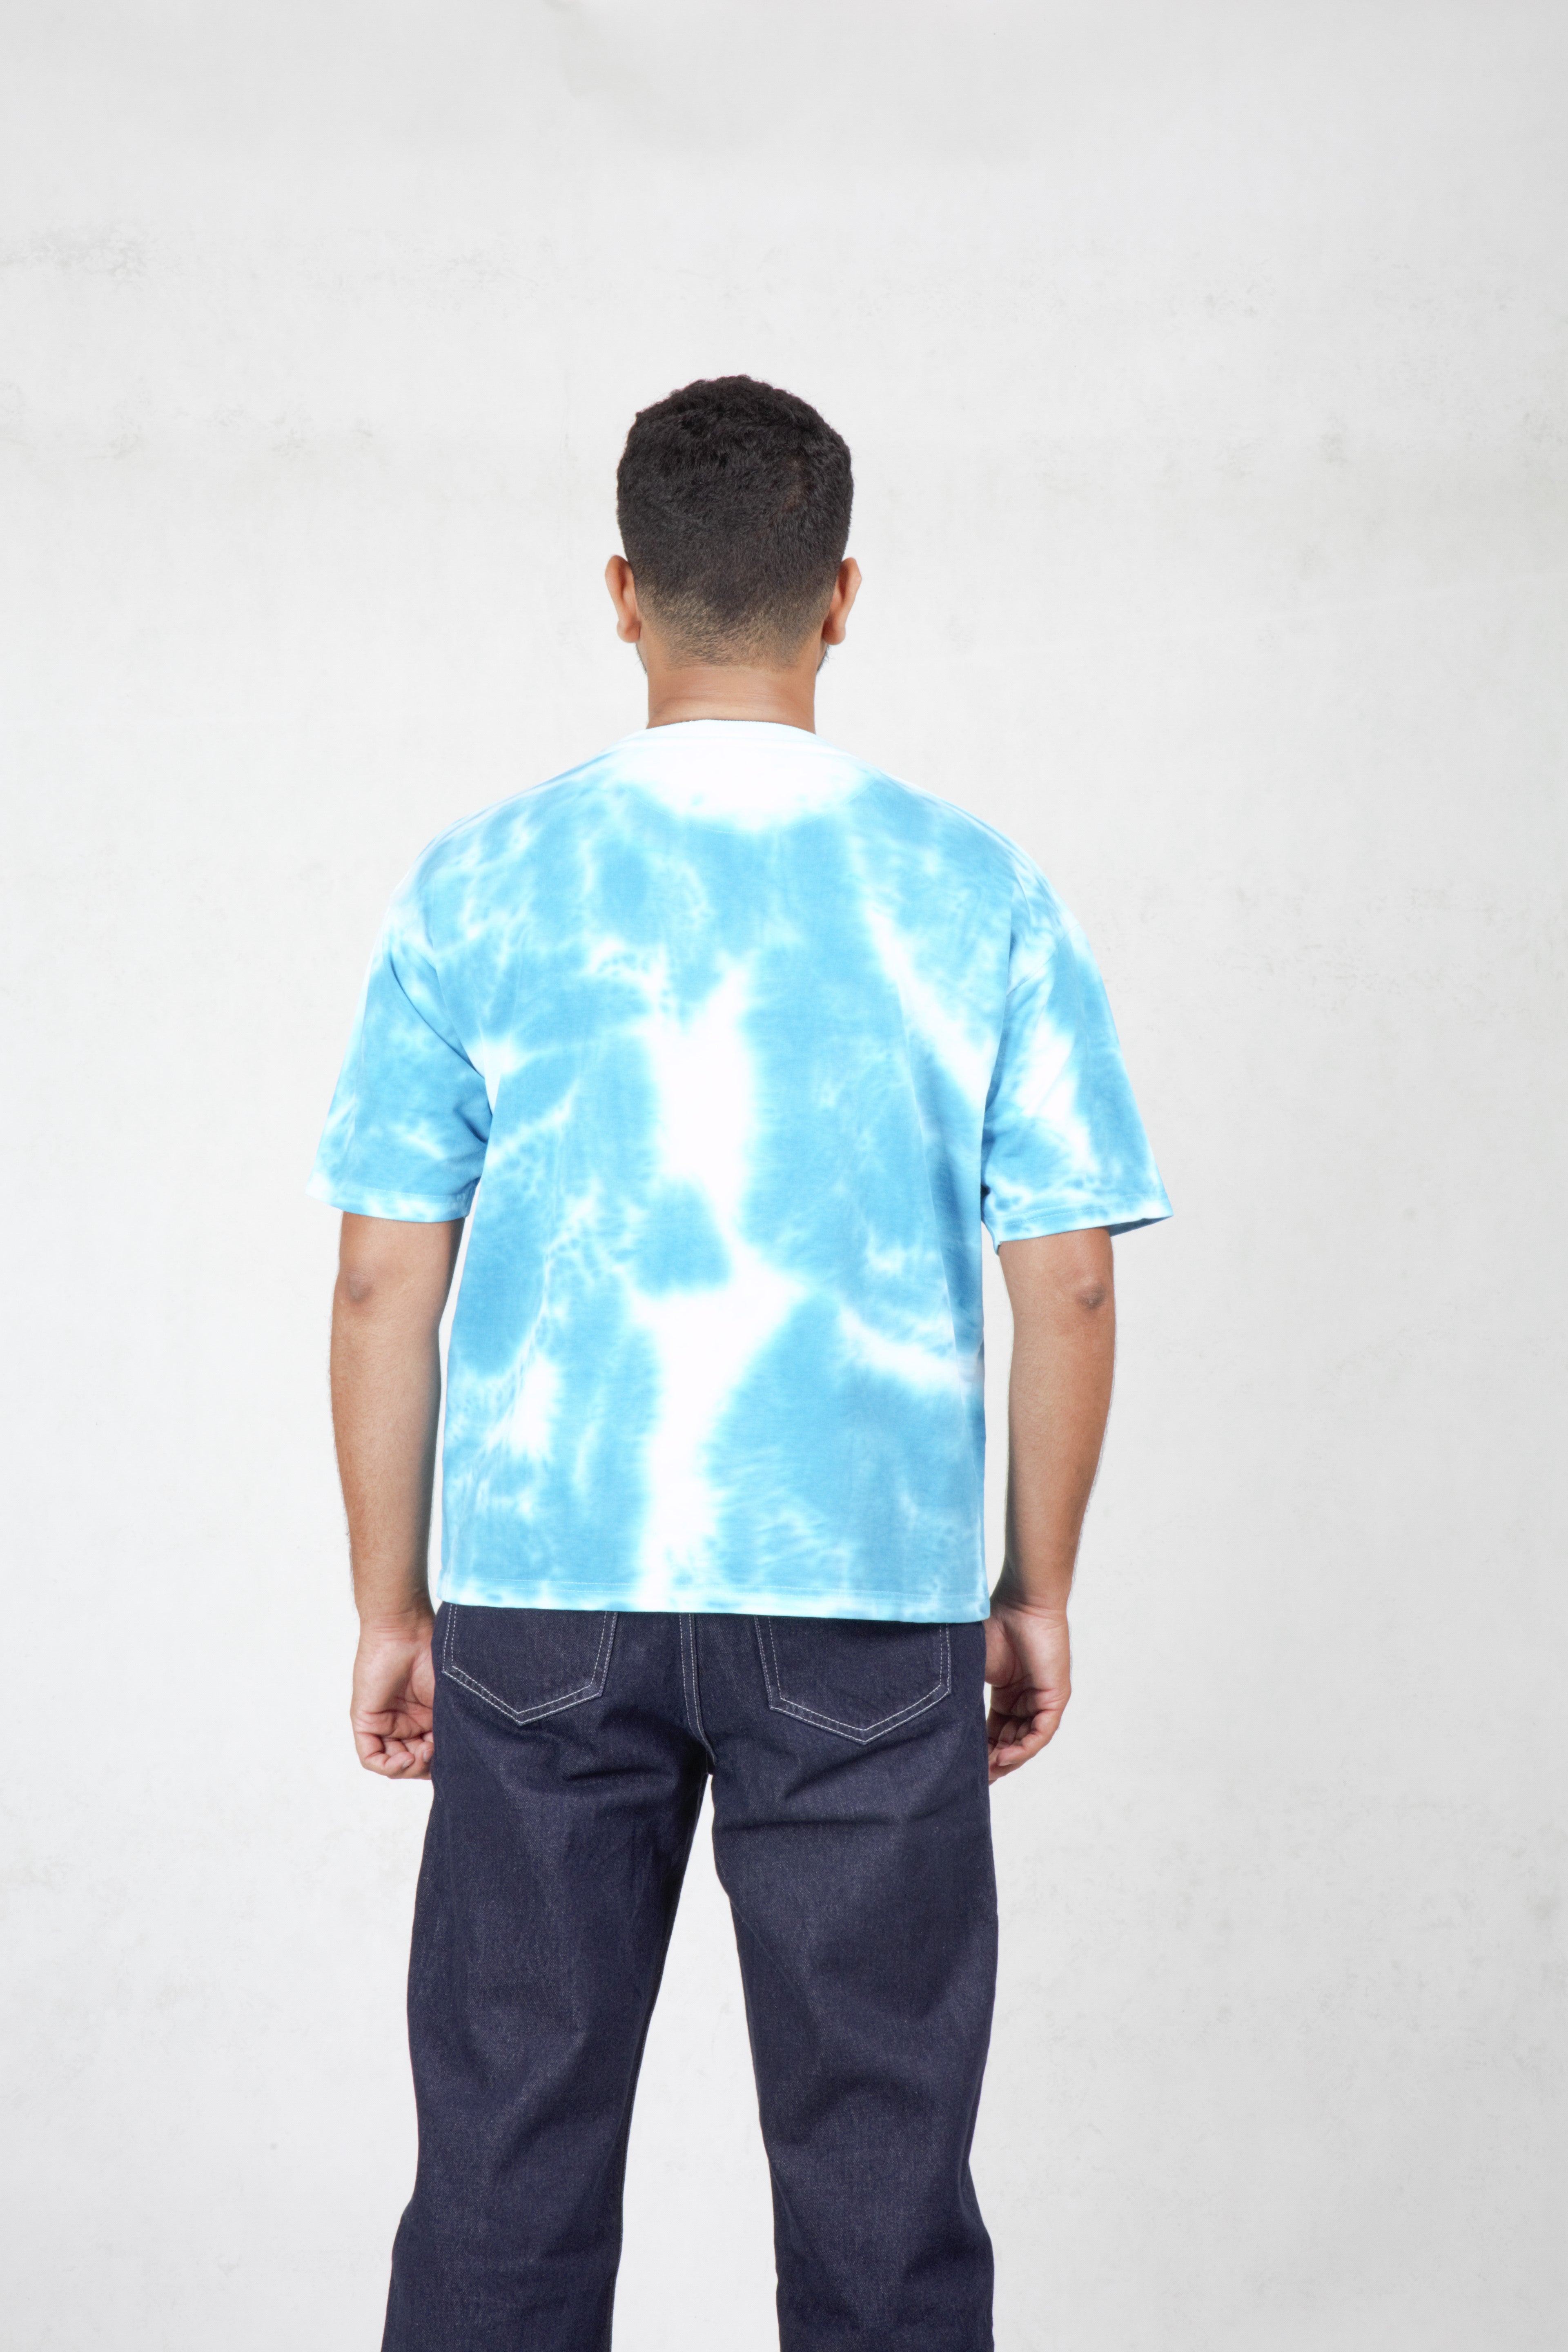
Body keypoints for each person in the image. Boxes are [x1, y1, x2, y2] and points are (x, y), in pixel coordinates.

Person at [311, 374, 1171, 2352]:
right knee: (884, 2186)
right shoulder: (974, 887)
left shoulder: (481, 879)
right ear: (842, 596)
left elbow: (378, 1287)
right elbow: (1070, 1287)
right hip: (867, 1603)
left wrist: (391, 1608)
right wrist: (1034, 1589)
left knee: (505, 2165)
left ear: (622, 592)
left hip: (544, 1597)